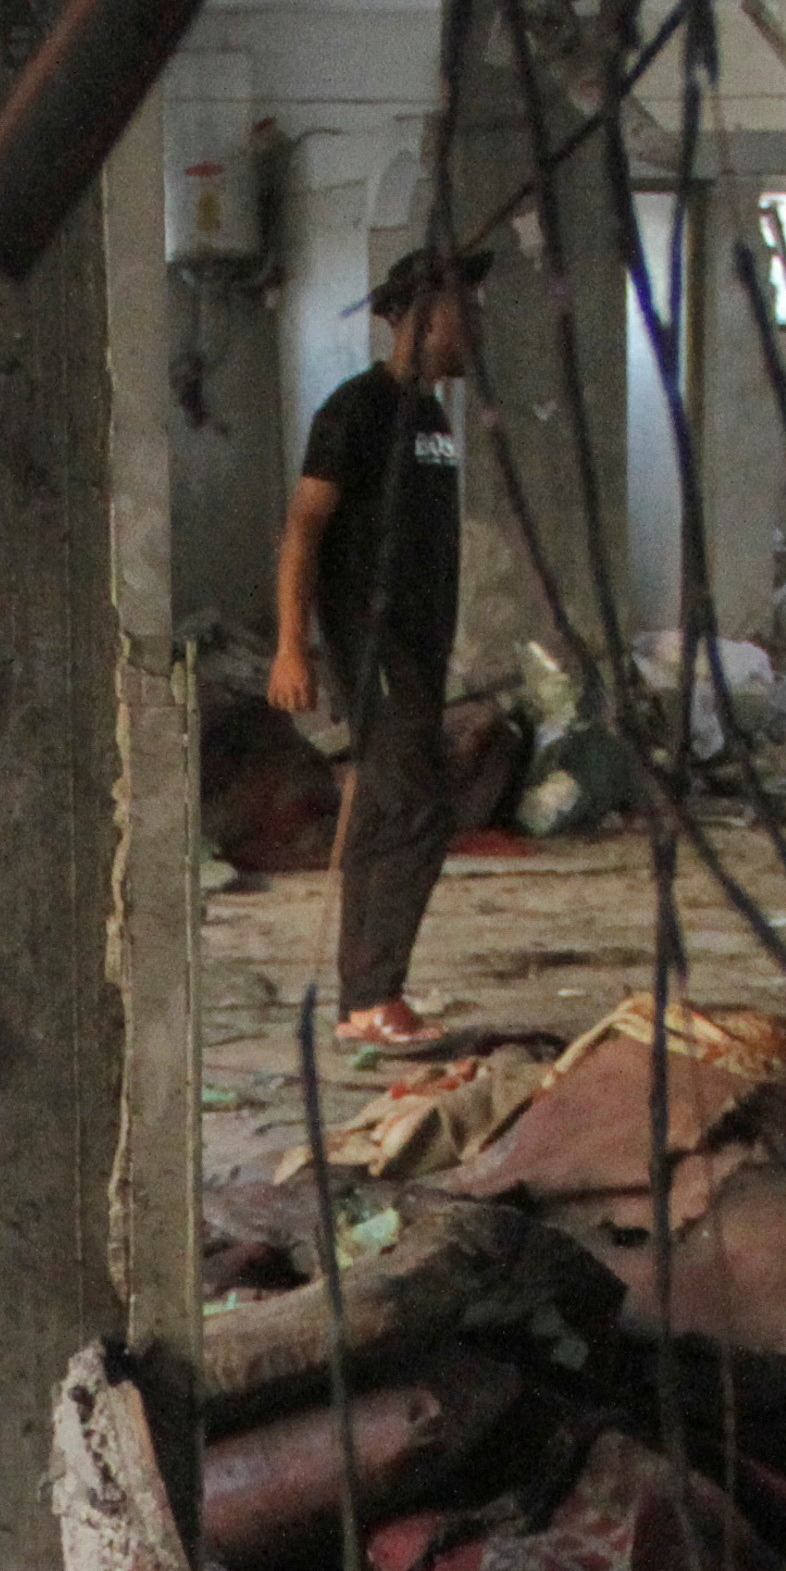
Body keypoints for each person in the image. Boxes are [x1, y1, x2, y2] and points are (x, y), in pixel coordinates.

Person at [268, 246, 483, 1041]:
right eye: (465, 308)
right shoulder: (352, 410)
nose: (477, 325)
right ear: (420, 316)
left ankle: (364, 996)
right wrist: (293, 645)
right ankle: (371, 996)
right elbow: (303, 526)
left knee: (390, 809)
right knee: (415, 807)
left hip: (419, 648)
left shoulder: (430, 417)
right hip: (373, 642)